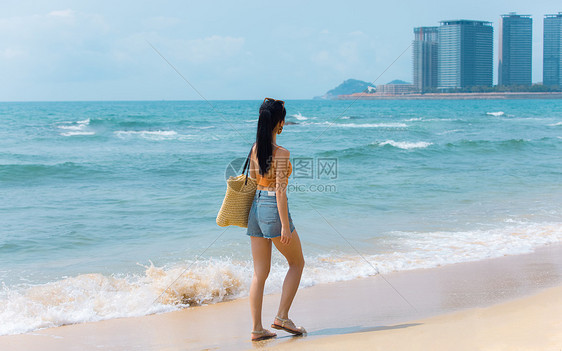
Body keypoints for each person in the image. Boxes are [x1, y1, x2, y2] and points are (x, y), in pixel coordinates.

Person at [246, 98, 306, 342]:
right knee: (297, 263)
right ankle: (282, 316)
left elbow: (251, 180)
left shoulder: (254, 148)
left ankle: (257, 329)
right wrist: (284, 225)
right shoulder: (282, 153)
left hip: (255, 209)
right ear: (280, 123)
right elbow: (280, 191)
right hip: (272, 208)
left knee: (259, 273)